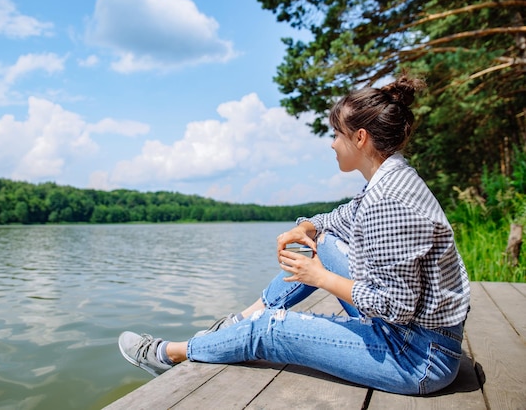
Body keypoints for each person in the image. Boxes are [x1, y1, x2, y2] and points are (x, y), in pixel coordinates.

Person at [118, 75, 471, 395]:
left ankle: (170, 354)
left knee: (268, 330)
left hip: (416, 357)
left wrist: (321, 278)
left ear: (360, 138)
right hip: (414, 336)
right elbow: (339, 218)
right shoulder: (390, 178)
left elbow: (396, 306)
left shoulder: (389, 202)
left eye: (336, 134)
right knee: (325, 242)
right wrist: (304, 228)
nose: (332, 144)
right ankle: (233, 326)